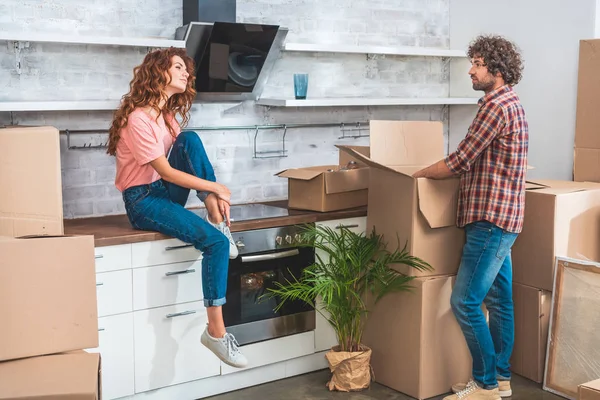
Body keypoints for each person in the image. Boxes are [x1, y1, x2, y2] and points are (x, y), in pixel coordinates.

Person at [106, 47, 247, 368]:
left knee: (191, 140)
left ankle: (215, 216)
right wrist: (217, 187)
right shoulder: (138, 118)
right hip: (143, 200)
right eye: (179, 67)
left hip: (164, 193)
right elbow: (167, 172)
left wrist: (213, 195)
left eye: (187, 69)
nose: (186, 74)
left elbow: (188, 162)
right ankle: (215, 332)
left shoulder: (167, 118)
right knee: (214, 243)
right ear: (159, 73)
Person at [413, 35, 528, 400]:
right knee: (498, 301)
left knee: (463, 302)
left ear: (495, 69)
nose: (471, 70)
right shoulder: (511, 102)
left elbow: (460, 160)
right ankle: (503, 378)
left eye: (477, 64)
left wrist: (417, 175)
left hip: (491, 220)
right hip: (505, 218)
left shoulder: (495, 107)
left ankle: (485, 385)